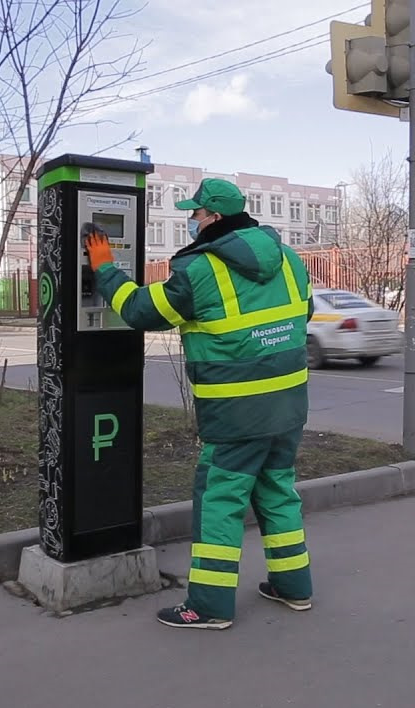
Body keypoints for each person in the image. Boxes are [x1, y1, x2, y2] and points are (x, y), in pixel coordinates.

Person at [84, 177, 314, 630]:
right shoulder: (289, 259)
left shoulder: (201, 269)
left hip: (235, 412)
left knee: (219, 502)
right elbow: (301, 314)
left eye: (196, 213)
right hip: (288, 405)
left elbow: (140, 312)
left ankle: (208, 606)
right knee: (277, 493)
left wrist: (105, 267)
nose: (191, 220)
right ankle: (294, 587)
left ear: (214, 217)